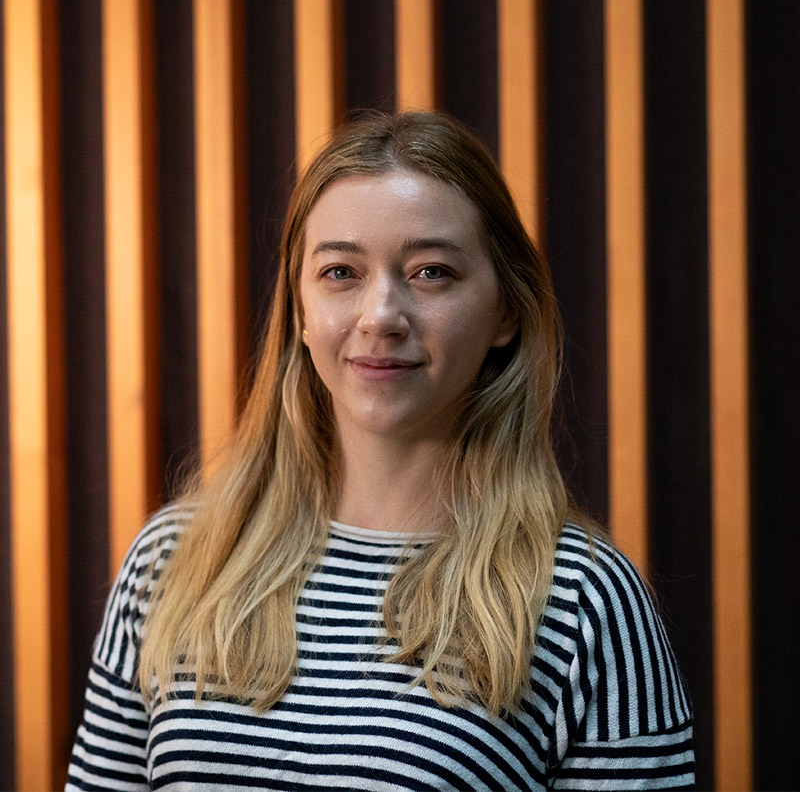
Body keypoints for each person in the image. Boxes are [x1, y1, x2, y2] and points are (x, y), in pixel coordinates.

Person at [66, 111, 694, 791]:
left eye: (431, 272)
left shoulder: (584, 603)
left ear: (507, 312)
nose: (381, 316)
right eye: (340, 271)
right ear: (301, 312)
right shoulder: (171, 561)